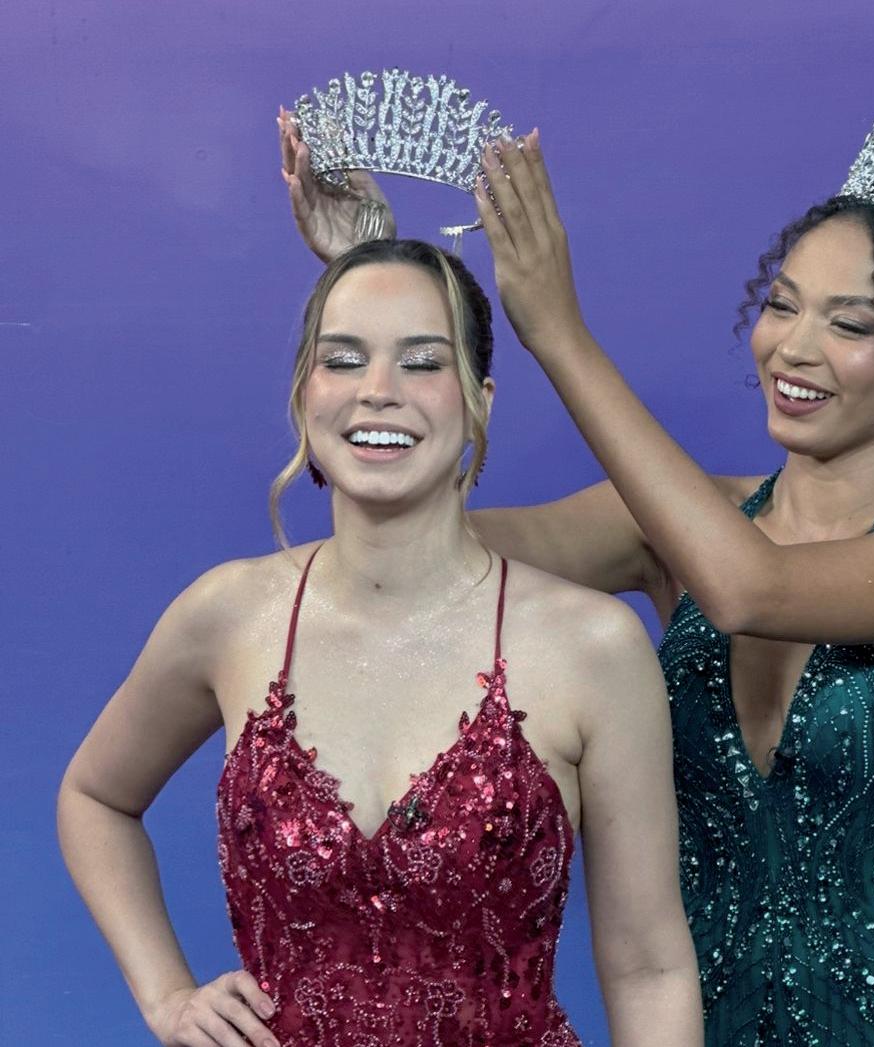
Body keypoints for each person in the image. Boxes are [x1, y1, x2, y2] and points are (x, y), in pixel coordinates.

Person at [280, 82, 874, 1044]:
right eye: (781, 305)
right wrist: (379, 289)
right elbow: (410, 551)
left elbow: (752, 589)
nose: (794, 347)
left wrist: (558, 332)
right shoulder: (674, 526)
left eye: (849, 325)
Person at [58, 238, 703, 1047]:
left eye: (422, 362)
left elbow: (650, 968)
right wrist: (167, 996)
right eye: (343, 359)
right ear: (304, 394)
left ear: (480, 401)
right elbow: (95, 797)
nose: (378, 391)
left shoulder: (594, 647)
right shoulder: (229, 615)